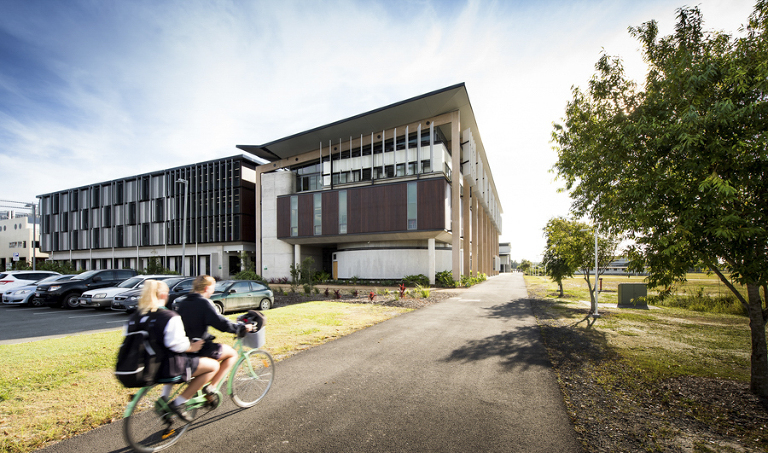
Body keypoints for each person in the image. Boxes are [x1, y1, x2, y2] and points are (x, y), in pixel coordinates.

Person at [129, 279, 219, 421]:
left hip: (147, 367)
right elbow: (177, 345)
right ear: (164, 295)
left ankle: (164, 398)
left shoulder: (135, 317)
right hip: (170, 367)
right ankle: (178, 403)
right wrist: (192, 346)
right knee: (213, 366)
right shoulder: (169, 316)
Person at [174, 275, 253, 399]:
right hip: (201, 347)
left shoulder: (184, 302)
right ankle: (212, 387)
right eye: (213, 288)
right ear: (206, 288)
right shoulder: (204, 303)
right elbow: (221, 323)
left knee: (216, 356)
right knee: (232, 354)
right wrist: (240, 328)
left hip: (187, 347)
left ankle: (206, 394)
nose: (213, 291)